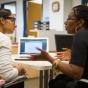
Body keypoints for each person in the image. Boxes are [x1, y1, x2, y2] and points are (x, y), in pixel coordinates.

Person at [29, 5, 88, 88]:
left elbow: (76, 73)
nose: (65, 22)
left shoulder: (80, 35)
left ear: (80, 22)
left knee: (56, 83)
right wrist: (73, 56)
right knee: (60, 78)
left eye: (68, 18)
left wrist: (48, 58)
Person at [0, 8, 26, 88]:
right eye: (12, 20)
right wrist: (19, 69)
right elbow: (7, 75)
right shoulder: (4, 39)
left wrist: (12, 65)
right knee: (20, 80)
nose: (15, 25)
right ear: (2, 20)